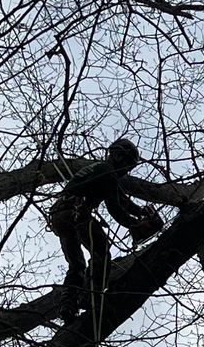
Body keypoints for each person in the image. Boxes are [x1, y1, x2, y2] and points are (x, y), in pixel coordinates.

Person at [21, 137, 165, 329]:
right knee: (101, 251)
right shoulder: (107, 172)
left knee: (77, 264)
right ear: (119, 156)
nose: (126, 172)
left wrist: (140, 212)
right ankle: (91, 297)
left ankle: (68, 305)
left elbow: (121, 199)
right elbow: (115, 208)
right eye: (127, 166)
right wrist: (135, 225)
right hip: (76, 212)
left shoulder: (102, 171)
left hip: (61, 214)